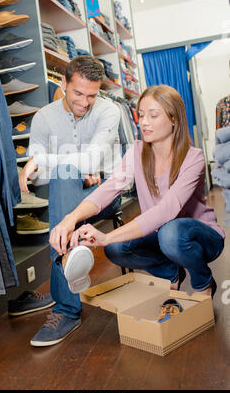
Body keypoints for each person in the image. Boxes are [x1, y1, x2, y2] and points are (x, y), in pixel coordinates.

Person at [51, 84, 225, 317]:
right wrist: (69, 219)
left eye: (153, 115)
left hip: (201, 236)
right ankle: (171, 275)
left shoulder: (193, 157)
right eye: (141, 115)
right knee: (115, 248)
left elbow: (166, 211)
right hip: (161, 234)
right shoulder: (136, 152)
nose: (144, 122)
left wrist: (105, 236)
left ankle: (203, 282)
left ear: (174, 119)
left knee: (170, 233)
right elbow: (109, 188)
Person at [18, 55, 122, 346]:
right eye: (78, 93)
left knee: (64, 172)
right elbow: (37, 180)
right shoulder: (43, 118)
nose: (85, 102)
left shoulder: (109, 110)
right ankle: (66, 266)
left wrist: (42, 161)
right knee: (65, 175)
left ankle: (65, 307)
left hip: (106, 196)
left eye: (92, 95)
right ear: (62, 83)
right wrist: (74, 171)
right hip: (68, 195)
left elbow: (93, 160)